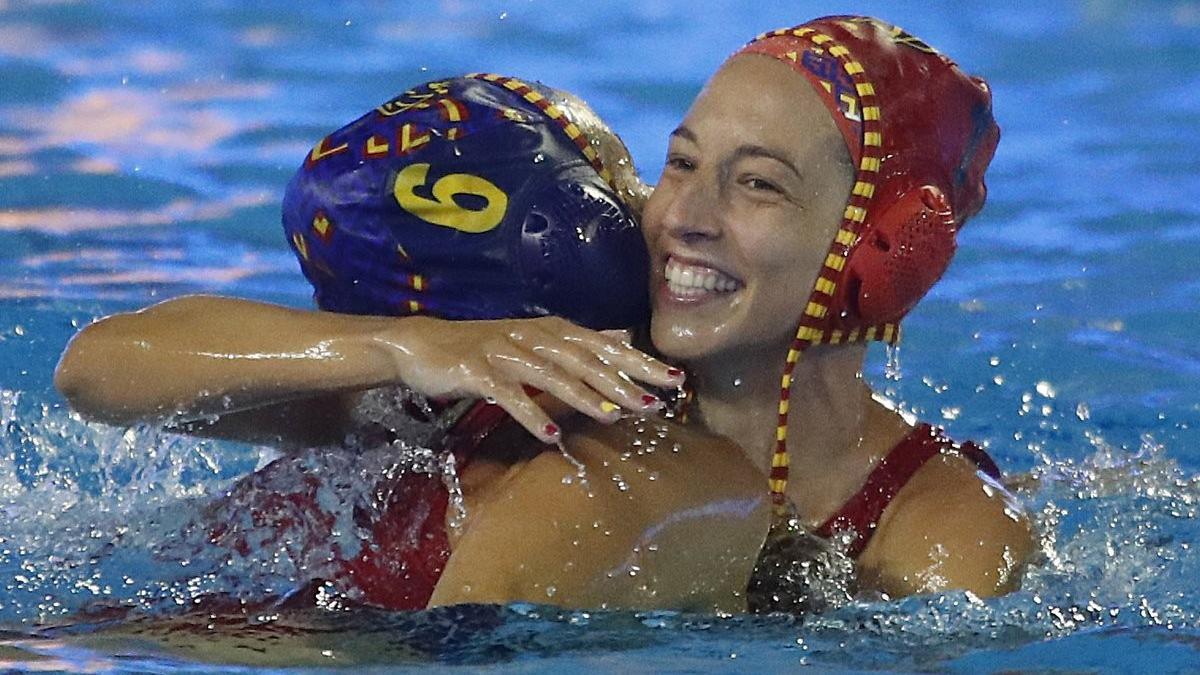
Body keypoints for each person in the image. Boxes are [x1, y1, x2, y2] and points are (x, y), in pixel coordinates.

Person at [55, 74, 771, 613]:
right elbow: (93, 371)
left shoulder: (599, 474)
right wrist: (403, 345)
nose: (652, 207)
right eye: (629, 177)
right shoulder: (414, 405)